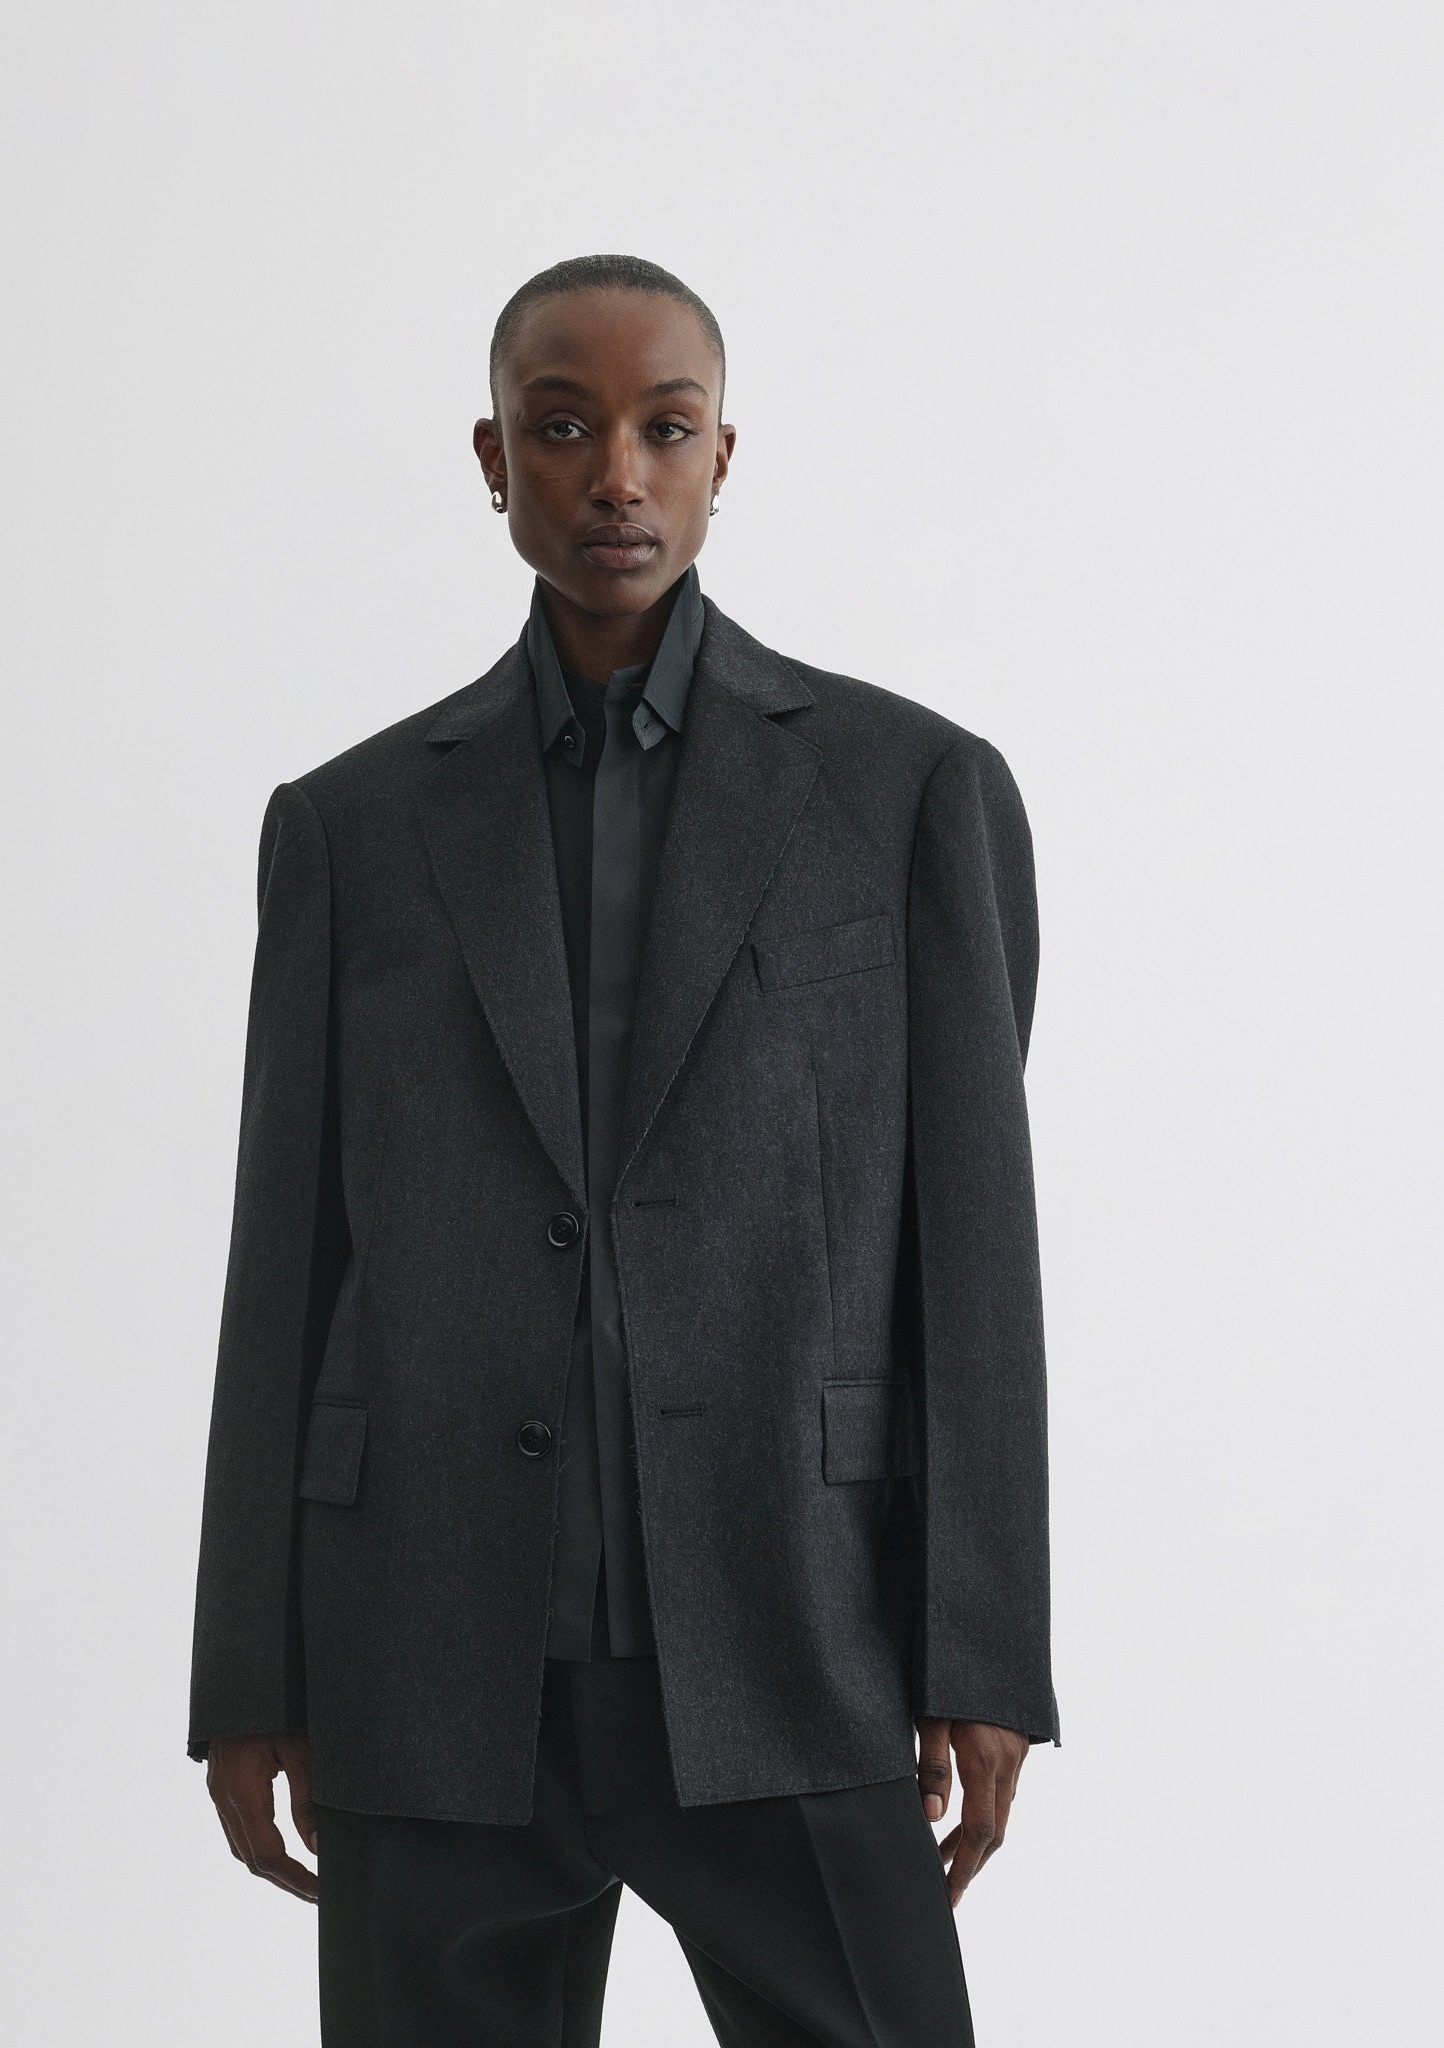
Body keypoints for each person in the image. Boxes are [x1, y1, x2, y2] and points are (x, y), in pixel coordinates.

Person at [187, 253, 1059, 2046]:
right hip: (430, 1645)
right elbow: (283, 1264)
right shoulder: (352, 826)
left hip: (787, 1626)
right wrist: (248, 1668)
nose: (614, 475)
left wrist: (979, 1645)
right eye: (560, 427)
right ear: (491, 458)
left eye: (663, 430)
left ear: (722, 455)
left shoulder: (904, 790)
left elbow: (971, 1251)